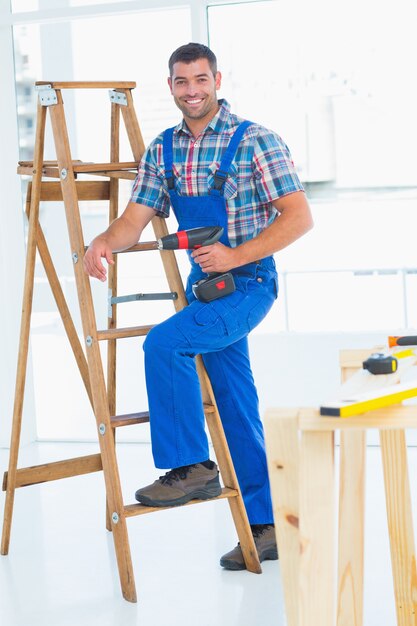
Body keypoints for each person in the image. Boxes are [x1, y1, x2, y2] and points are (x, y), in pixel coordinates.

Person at [83, 42, 313, 570]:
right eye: (182, 82)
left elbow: (298, 218)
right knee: (233, 401)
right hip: (205, 288)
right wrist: (102, 242)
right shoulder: (163, 150)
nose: (192, 91)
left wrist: (235, 253)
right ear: (171, 86)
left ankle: (192, 466)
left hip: (249, 283)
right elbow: (133, 221)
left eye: (201, 80)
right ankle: (267, 525)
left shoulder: (257, 141)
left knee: (166, 342)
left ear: (217, 80)